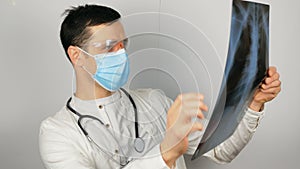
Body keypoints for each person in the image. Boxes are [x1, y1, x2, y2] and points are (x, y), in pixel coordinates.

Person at [39, 4, 281, 169]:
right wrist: (166, 151)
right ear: (76, 55)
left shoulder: (154, 101)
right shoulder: (57, 133)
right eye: (109, 47)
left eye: (123, 44)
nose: (121, 53)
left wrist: (253, 103)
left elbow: (223, 150)